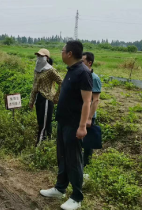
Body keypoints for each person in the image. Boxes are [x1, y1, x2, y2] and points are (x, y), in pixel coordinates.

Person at [40, 41, 92, 210]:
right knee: (62, 157)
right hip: (63, 122)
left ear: (69, 54)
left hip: (73, 124)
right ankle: (60, 188)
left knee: (74, 160)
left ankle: (76, 197)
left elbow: (87, 102)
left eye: (62, 50)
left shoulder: (83, 73)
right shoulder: (71, 71)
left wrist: (82, 126)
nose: (61, 53)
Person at [29, 49, 63, 146]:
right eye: (38, 56)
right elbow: (35, 86)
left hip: (47, 99)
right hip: (38, 98)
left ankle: (39, 145)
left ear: (47, 58)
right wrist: (31, 101)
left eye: (42, 56)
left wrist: (56, 97)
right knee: (41, 122)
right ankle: (47, 143)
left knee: (44, 124)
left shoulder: (51, 70)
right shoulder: (37, 70)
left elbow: (61, 82)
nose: (39, 58)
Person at [82, 52, 102, 168]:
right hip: (80, 113)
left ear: (89, 63)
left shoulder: (95, 78)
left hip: (88, 115)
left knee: (88, 142)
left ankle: (87, 165)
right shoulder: (82, 76)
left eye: (83, 61)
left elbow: (95, 100)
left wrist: (89, 117)